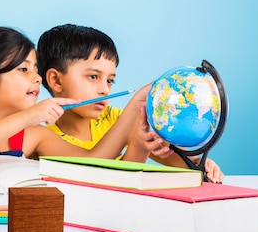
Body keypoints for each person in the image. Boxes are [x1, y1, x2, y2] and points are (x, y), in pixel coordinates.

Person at [0, 26, 169, 164]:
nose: (37, 78)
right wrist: (28, 117)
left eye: (35, 69)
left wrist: (138, 137)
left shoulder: (36, 136)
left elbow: (94, 165)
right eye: (23, 69)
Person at [36, 23, 224, 183]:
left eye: (110, 80)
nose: (104, 90)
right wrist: (135, 108)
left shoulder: (114, 118)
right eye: (93, 76)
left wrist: (200, 163)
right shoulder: (44, 137)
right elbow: (102, 178)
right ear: (56, 81)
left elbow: (176, 161)